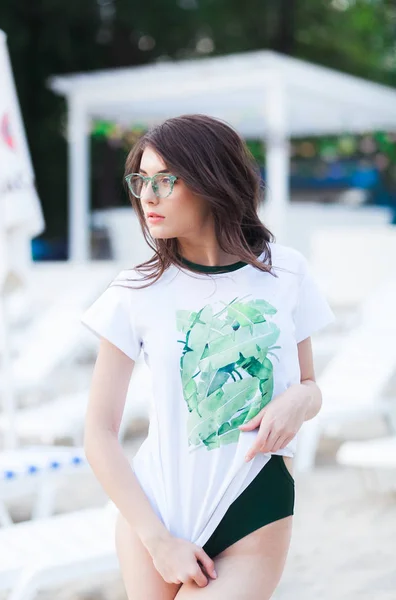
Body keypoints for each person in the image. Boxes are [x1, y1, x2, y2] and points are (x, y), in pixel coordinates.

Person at [80, 114, 335, 599]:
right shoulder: (135, 290)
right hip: (154, 513)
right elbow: (99, 433)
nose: (147, 197)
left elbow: (311, 386)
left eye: (165, 181)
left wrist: (299, 402)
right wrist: (158, 542)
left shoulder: (286, 272)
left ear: (212, 178)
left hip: (252, 505)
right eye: (141, 181)